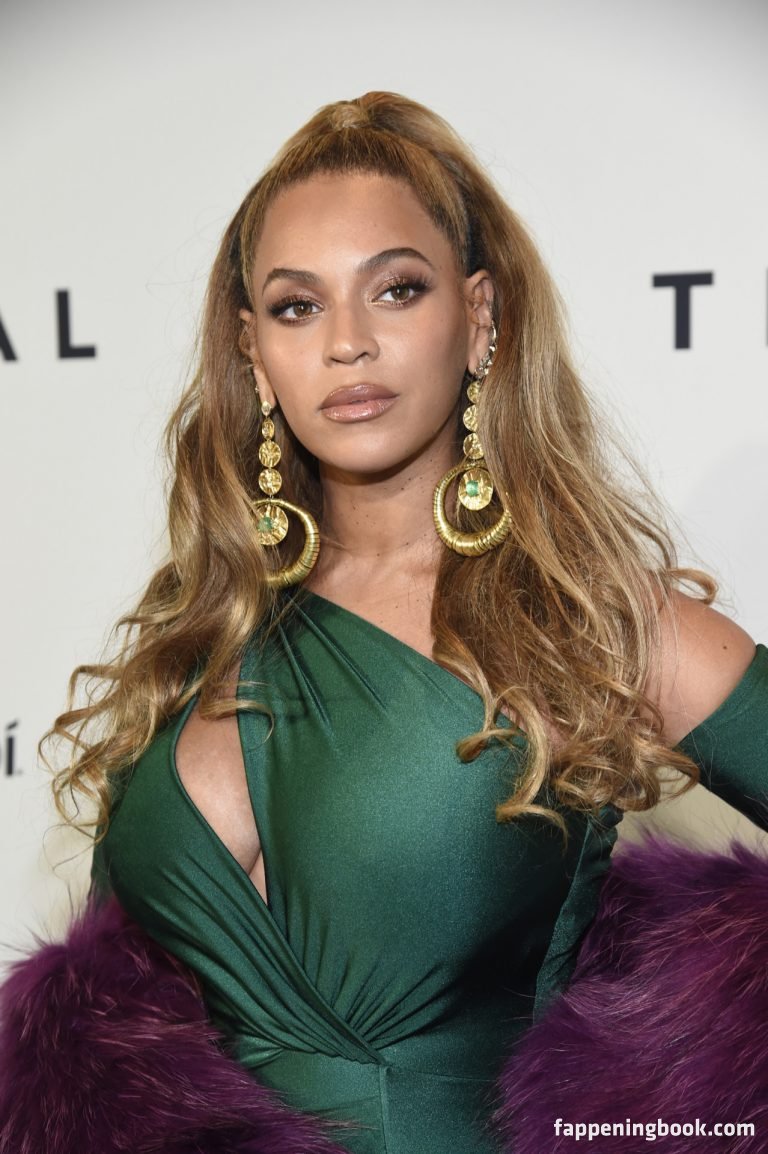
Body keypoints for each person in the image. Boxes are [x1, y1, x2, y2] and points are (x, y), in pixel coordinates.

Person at [33, 92, 768, 1151]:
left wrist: (673, 1106)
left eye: (396, 289)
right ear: (252, 352)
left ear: (480, 317)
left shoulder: (585, 618)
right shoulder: (196, 639)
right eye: (297, 306)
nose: (348, 343)